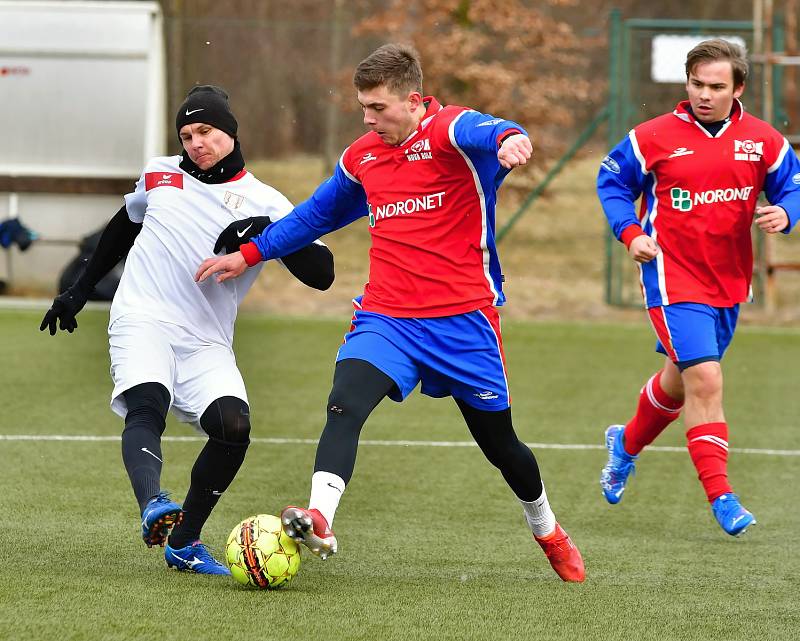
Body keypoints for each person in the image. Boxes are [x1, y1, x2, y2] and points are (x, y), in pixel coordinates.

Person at [196, 44, 585, 582]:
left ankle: (547, 528)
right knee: (344, 403)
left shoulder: (450, 131)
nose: (367, 118)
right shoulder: (364, 156)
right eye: (363, 106)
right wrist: (248, 253)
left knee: (502, 447)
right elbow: (316, 215)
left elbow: (489, 130)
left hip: (464, 321)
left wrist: (511, 138)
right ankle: (320, 518)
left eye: (378, 108)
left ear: (414, 100)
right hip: (389, 317)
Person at [40, 85, 334, 574]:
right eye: (187, 134)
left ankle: (185, 541)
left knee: (233, 428)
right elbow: (122, 228)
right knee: (146, 403)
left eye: (206, 131)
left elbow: (321, 274)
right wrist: (77, 291)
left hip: (206, 338)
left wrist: (266, 232)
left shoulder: (266, 200)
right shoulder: (160, 173)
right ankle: (154, 502)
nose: (196, 143)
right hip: (142, 315)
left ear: (231, 133)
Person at [596, 39, 800, 536]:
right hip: (671, 278)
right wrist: (632, 233)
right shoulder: (653, 137)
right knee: (705, 381)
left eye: (716, 86)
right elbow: (612, 183)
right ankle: (723, 497)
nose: (705, 94)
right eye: (697, 84)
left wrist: (787, 212)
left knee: (677, 382)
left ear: (739, 88)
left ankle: (624, 444)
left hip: (729, 281)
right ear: (686, 84)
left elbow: (793, 185)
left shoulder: (764, 141)